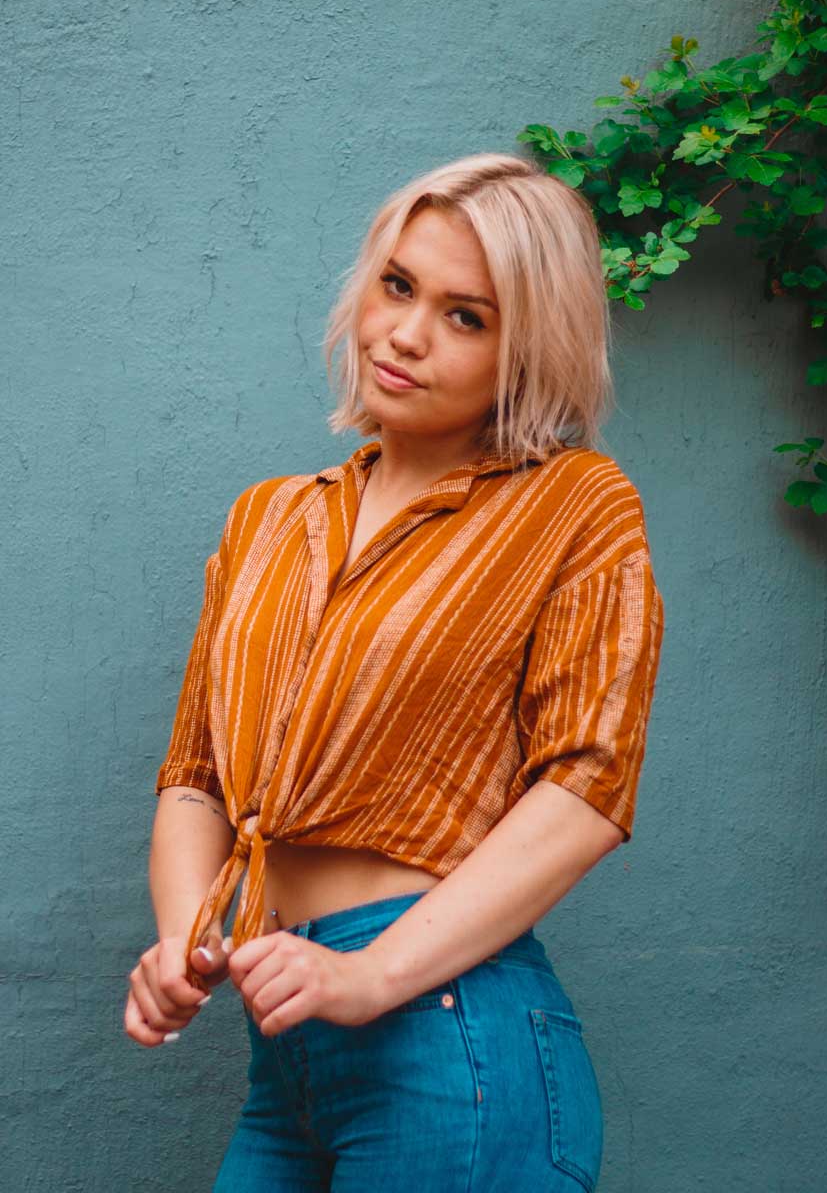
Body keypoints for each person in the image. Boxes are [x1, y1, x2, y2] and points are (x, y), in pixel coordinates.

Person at [124, 151, 666, 1191]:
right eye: (398, 285)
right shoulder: (266, 518)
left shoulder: (574, 504)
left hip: (447, 1035)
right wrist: (183, 936)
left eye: (467, 316)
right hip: (285, 1038)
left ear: (528, 348)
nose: (406, 334)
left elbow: (586, 789)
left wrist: (372, 972)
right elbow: (195, 773)